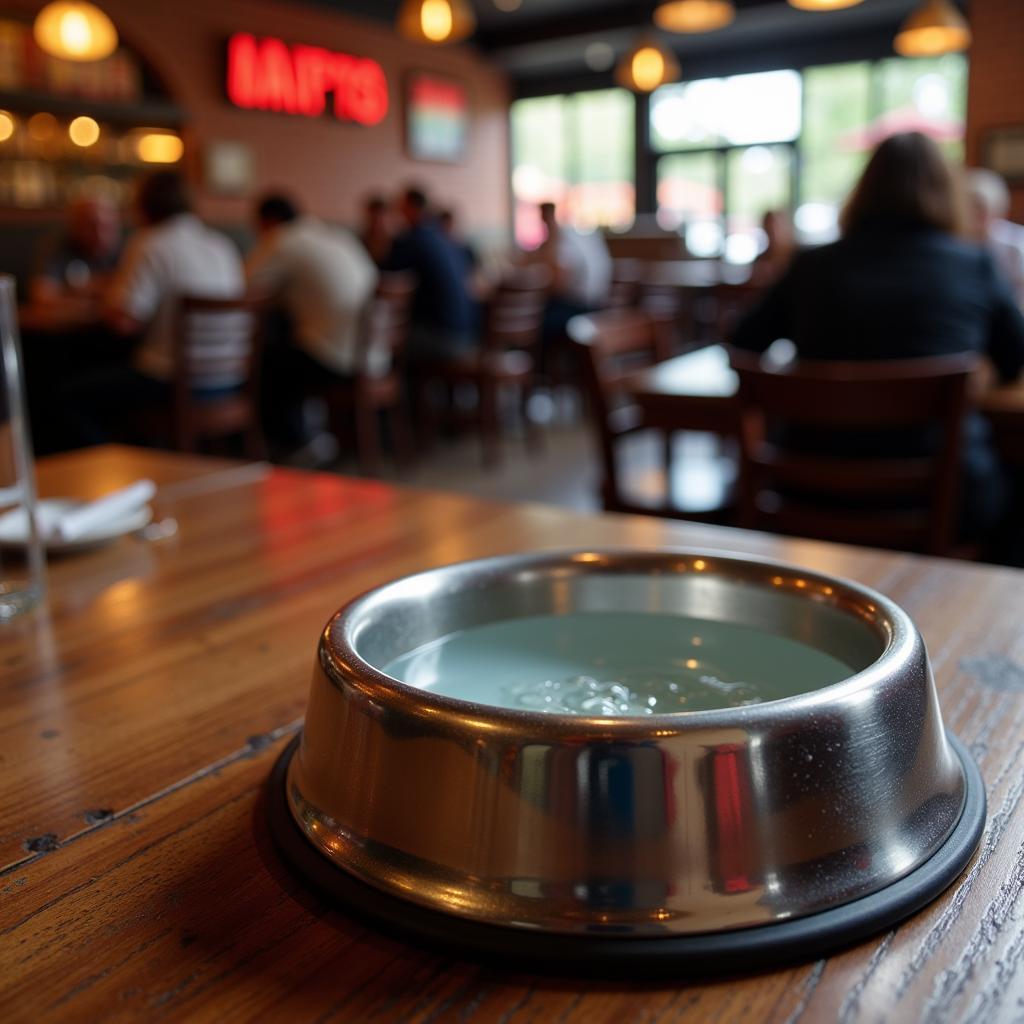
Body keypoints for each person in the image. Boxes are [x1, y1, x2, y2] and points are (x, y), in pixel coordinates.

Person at [731, 132, 1024, 546]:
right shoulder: (975, 264)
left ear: (863, 191)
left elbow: (743, 342)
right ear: (946, 193)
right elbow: (1014, 360)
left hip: (808, 485)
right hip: (942, 496)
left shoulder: (811, 265)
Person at [62, 171, 244, 445]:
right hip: (230, 381)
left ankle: (112, 474)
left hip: (173, 383)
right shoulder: (222, 245)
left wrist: (103, 299)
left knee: (70, 396)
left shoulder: (150, 243)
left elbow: (124, 322)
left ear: (143, 206)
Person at [246, 193, 378, 449]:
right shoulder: (337, 235)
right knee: (289, 348)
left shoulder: (282, 239)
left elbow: (242, 288)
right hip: (374, 354)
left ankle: (291, 444)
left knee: (267, 362)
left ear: (269, 221)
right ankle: (309, 438)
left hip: (338, 360)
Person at [381, 186, 477, 359]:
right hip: (467, 334)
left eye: (400, 208)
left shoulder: (416, 238)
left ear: (410, 207)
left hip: (443, 338)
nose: (398, 214)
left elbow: (384, 273)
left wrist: (387, 234)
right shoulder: (442, 236)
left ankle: (399, 386)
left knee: (385, 342)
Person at [534, 201, 612, 344]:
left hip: (582, 309)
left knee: (536, 321)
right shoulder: (585, 235)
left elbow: (559, 285)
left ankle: (543, 364)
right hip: (599, 305)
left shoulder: (565, 240)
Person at [30, 195, 121, 305]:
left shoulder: (128, 249)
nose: (100, 234)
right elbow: (42, 295)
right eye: (91, 226)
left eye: (107, 227)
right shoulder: (59, 246)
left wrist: (76, 288)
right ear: (74, 225)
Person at [967, 168, 1024, 307]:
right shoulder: (959, 241)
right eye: (970, 208)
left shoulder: (1015, 242)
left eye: (980, 208)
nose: (974, 215)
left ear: (996, 209)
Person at [749, 209, 796, 288]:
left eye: (775, 226)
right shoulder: (761, 259)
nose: (772, 230)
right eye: (768, 226)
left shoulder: (794, 257)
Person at [359, 194, 392, 266]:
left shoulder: (395, 239)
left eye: (381, 215)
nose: (377, 220)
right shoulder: (361, 239)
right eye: (374, 216)